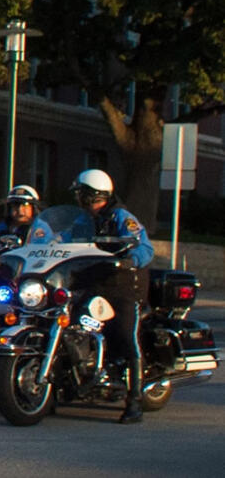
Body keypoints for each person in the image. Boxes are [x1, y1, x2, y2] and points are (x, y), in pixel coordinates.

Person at [70, 168, 154, 424]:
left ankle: (134, 400)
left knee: (125, 334)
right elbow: (64, 240)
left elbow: (145, 247)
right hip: (94, 284)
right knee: (72, 325)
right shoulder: (83, 220)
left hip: (124, 285)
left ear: (92, 195)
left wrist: (131, 259)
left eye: (81, 194)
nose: (78, 199)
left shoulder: (121, 217)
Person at [0, 184, 40, 253]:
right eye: (15, 205)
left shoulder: (39, 228)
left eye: (25, 205)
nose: (20, 210)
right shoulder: (2, 228)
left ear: (33, 208)